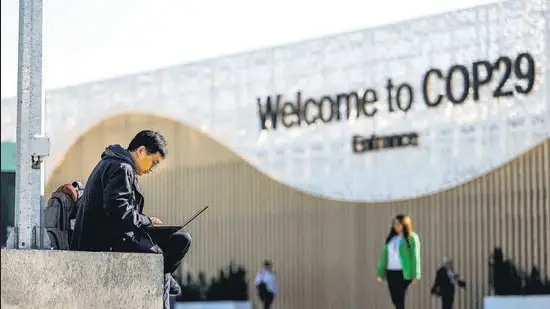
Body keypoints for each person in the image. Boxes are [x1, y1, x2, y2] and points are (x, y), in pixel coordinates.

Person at [70, 130, 191, 295]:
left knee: (179, 237)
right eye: (153, 162)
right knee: (167, 249)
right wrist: (146, 221)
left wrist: (145, 222)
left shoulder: (116, 163)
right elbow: (118, 211)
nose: (152, 169)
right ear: (141, 151)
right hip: (104, 242)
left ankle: (165, 274)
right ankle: (164, 278)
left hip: (113, 234)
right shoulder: (121, 167)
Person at [376, 214, 421, 309]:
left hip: (403, 272)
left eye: (399, 224)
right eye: (395, 224)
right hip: (391, 272)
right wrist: (380, 272)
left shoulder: (411, 238)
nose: (396, 226)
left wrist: (416, 274)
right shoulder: (391, 239)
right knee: (395, 299)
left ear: (405, 225)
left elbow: (415, 256)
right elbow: (384, 257)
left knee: (400, 298)